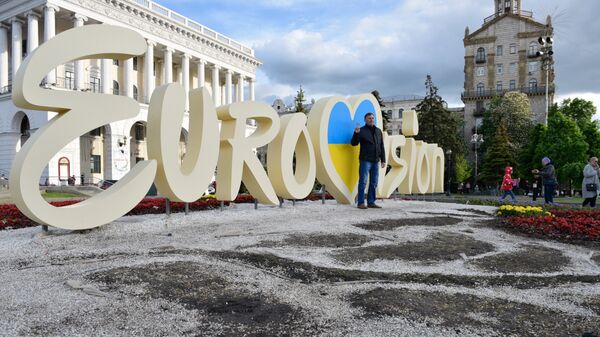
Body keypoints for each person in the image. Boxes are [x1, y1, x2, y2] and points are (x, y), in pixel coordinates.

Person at [351, 112, 386, 209]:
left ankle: (371, 202)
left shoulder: (378, 131)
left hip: (376, 160)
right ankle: (361, 203)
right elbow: (353, 143)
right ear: (365, 120)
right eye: (369, 118)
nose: (371, 119)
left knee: (374, 182)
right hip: (365, 160)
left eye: (372, 118)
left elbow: (381, 146)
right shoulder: (361, 130)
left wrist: (383, 159)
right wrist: (356, 133)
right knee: (363, 181)